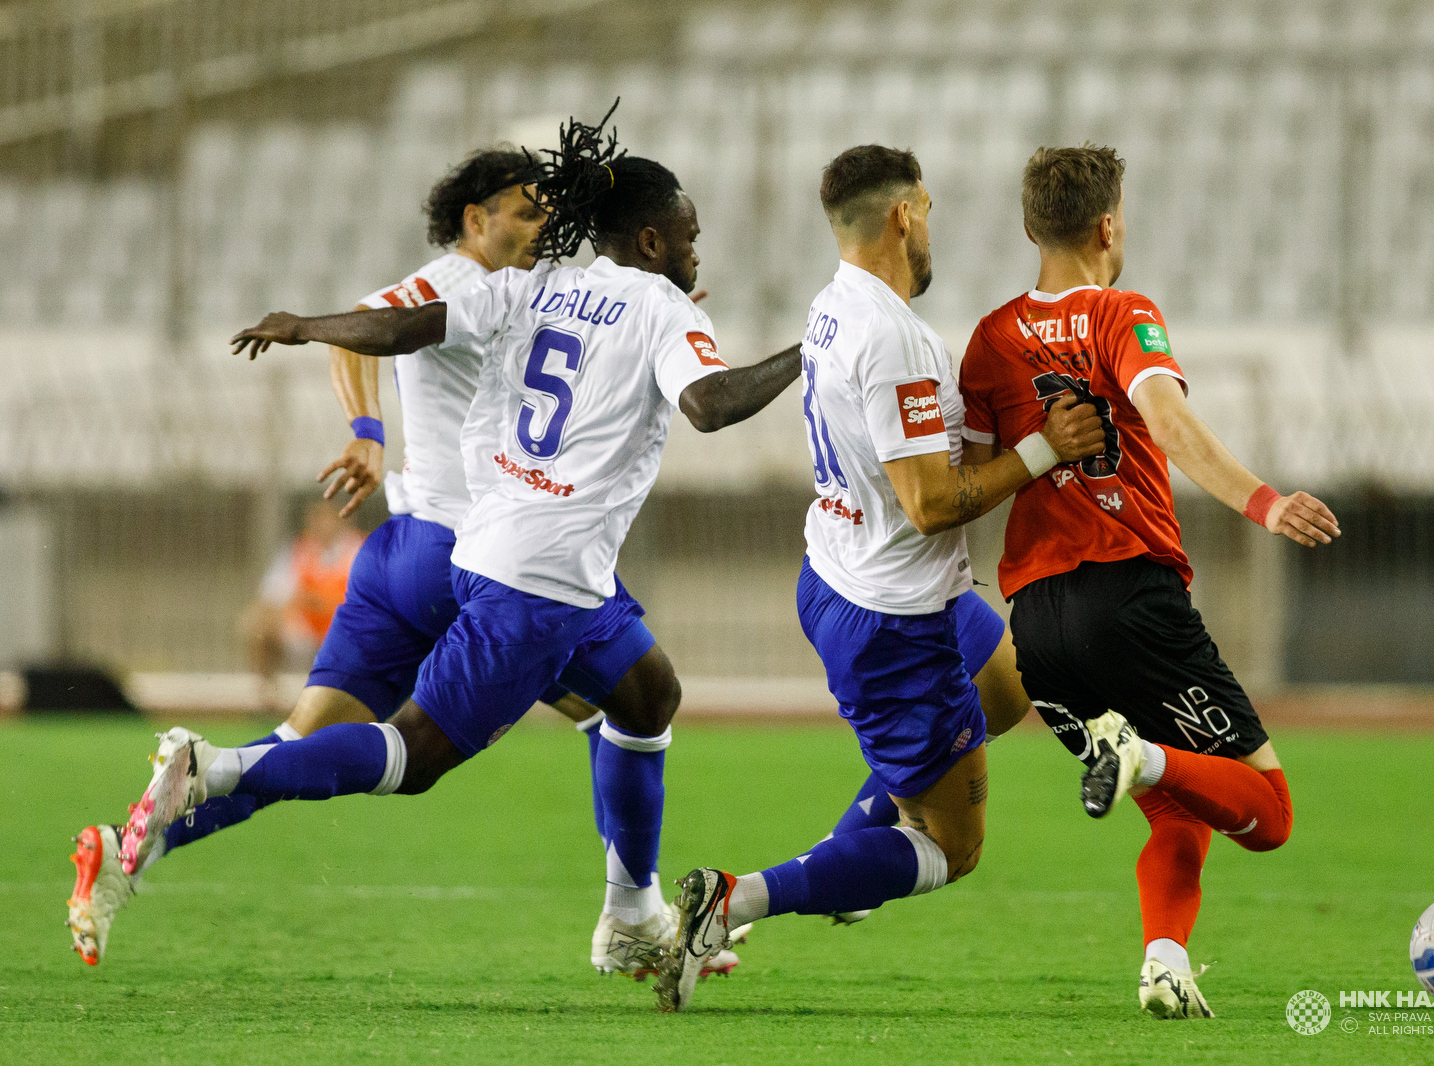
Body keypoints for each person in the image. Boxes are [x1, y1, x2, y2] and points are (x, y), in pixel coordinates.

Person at [71, 133, 766, 978]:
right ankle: (213, 768)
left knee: (641, 692)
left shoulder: (530, 286)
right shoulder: (494, 278)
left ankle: (128, 848)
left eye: (548, 207)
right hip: (498, 560)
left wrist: (308, 335)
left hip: (412, 548)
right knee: (433, 750)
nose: (539, 219)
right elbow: (707, 401)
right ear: (476, 219)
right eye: (523, 207)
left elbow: (385, 327)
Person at [653, 145, 1106, 1012]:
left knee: (1012, 686)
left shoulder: (833, 305)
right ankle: (736, 897)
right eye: (928, 211)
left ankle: (845, 861)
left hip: (843, 571)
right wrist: (1050, 449)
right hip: (897, 620)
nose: (931, 228)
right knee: (952, 849)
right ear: (903, 215)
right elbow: (932, 505)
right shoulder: (897, 338)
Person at [957, 144, 1341, 1019]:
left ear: (1028, 228)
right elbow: (1166, 419)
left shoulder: (989, 338)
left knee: (1177, 814)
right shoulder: (1122, 311)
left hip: (1039, 626)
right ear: (1108, 223)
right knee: (1269, 812)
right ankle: (1141, 753)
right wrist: (1265, 504)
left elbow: (973, 484)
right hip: (1130, 594)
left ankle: (1165, 962)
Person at [238, 497, 364, 711]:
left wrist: (327, 603)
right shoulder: (299, 550)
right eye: (317, 518)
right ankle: (268, 699)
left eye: (328, 518)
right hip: (307, 629)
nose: (322, 524)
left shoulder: (360, 549)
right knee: (257, 624)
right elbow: (272, 595)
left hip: (346, 630)